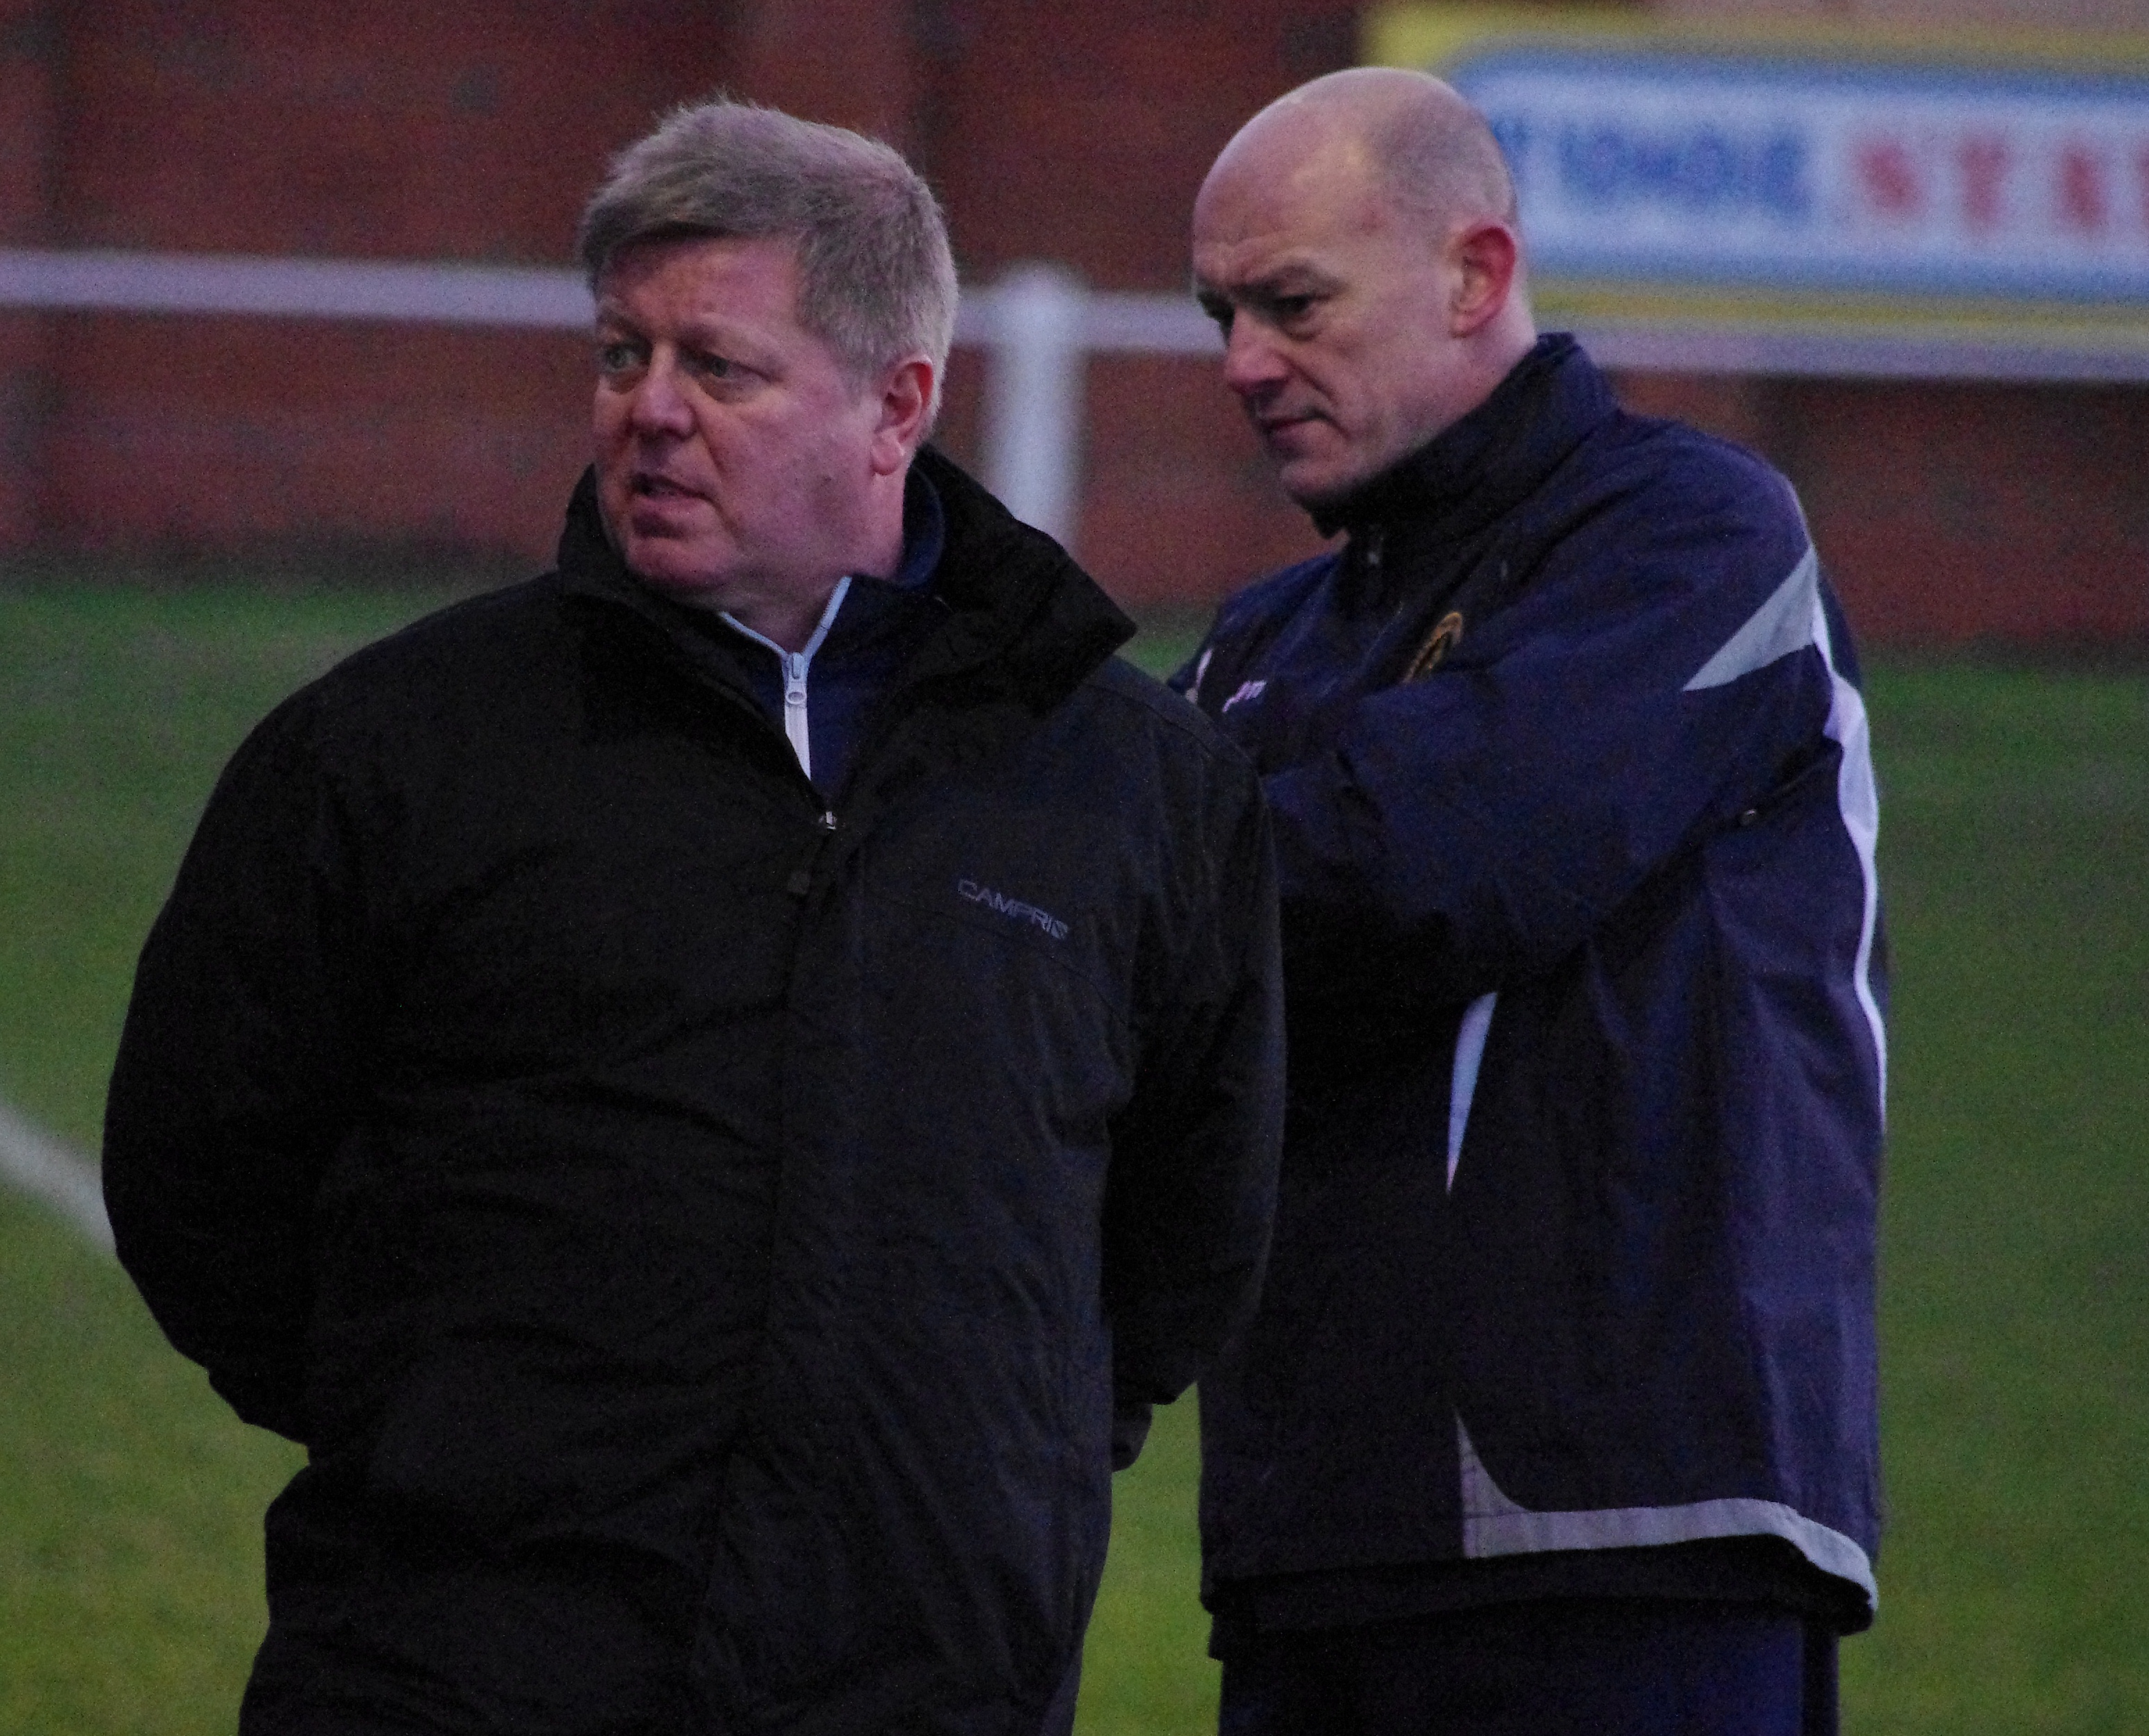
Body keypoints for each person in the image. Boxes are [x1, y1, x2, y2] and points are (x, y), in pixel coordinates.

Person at [103, 99, 1284, 1736]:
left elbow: (1182, 1239)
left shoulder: (1136, 787)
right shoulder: (393, 745)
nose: (649, 412)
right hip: (456, 1668)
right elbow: (199, 1178)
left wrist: (973, 1466)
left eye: (716, 368)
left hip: (927, 1678)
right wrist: (434, 1428)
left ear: (897, 406)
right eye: (618, 355)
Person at [1175, 68, 1886, 1736]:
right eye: (1217, 314)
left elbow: (1433, 868)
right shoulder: (1254, 642)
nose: (1241, 364)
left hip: (1635, 1533)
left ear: (1474, 274)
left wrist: (1123, 861)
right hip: (1310, 1537)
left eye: (1290, 303)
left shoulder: (1698, 536)